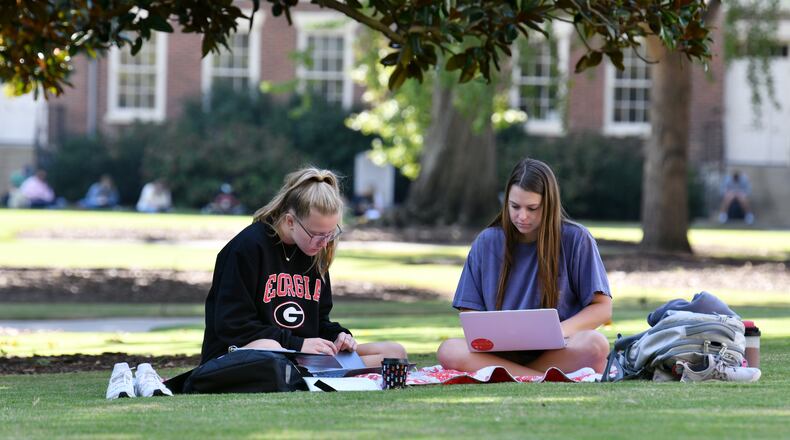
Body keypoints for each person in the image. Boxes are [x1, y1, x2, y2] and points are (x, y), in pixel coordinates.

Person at [200, 167, 407, 366]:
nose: (324, 243)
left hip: (300, 356)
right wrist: (297, 344)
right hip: (241, 355)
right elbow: (232, 326)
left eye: (330, 234)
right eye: (317, 234)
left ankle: (316, 372)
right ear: (290, 221)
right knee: (270, 348)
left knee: (394, 353)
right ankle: (315, 372)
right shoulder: (247, 247)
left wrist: (339, 336)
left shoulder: (314, 252)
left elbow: (318, 322)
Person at [436, 158, 613, 376]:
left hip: (558, 350)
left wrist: (555, 332)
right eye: (514, 206)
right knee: (449, 350)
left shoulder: (577, 239)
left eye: (532, 208)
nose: (522, 216)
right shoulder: (486, 242)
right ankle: (535, 377)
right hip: (498, 355)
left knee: (596, 344)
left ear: (549, 205)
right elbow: (470, 313)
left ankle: (513, 375)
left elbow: (602, 308)